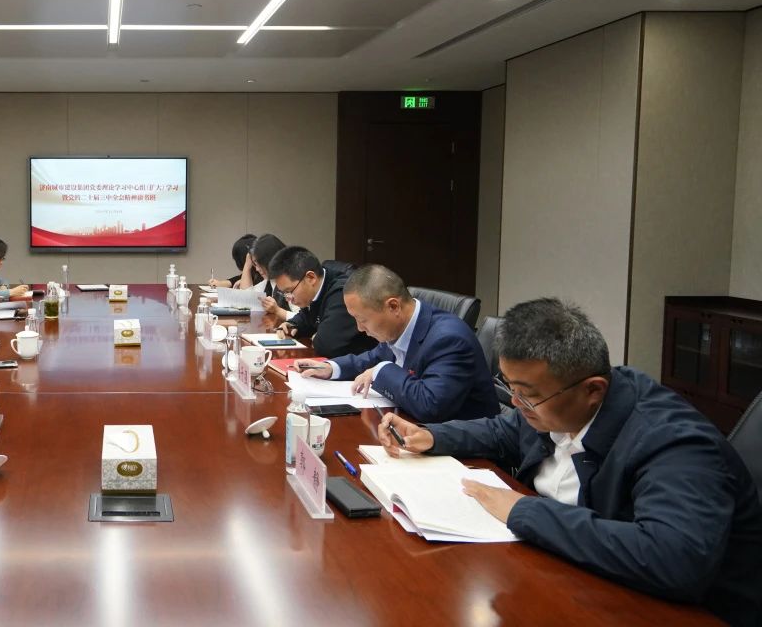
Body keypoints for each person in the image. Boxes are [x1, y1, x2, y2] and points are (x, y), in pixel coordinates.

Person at [376, 298, 762, 626]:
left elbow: (673, 560)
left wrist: (524, 511)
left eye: (527, 395)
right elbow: (504, 431)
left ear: (593, 390)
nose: (516, 403)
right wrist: (432, 436)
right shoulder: (556, 404)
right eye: (511, 388)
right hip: (567, 574)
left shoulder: (675, 444)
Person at [296, 263, 498, 422]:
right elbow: (374, 357)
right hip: (413, 428)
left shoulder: (449, 339)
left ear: (393, 306)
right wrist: (331, 368)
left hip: (465, 452)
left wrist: (380, 371)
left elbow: (430, 405)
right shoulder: (402, 324)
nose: (359, 328)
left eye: (363, 319)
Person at [269, 246, 376, 358]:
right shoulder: (317, 288)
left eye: (289, 291)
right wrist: (292, 324)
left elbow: (326, 345)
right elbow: (307, 318)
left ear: (311, 278)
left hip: (364, 364)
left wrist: (317, 336)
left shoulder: (343, 293)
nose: (288, 299)